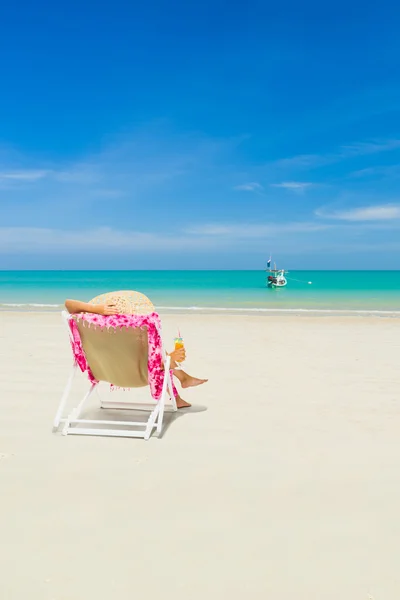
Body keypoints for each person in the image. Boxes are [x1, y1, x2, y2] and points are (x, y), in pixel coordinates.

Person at [65, 298, 207, 408]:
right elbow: (156, 366)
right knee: (160, 356)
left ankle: (180, 389)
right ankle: (183, 381)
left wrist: (95, 309)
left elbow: (68, 303)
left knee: (158, 353)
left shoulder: (89, 324)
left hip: (104, 371)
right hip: (138, 375)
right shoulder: (137, 331)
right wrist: (170, 358)